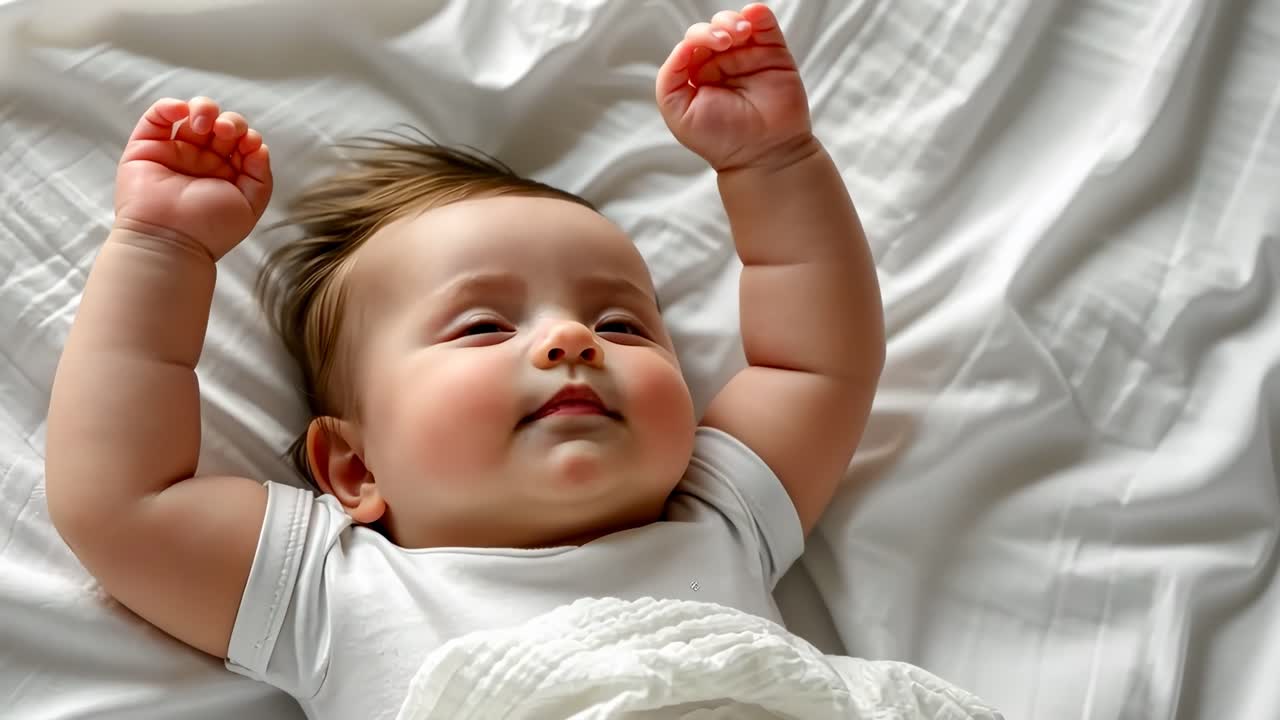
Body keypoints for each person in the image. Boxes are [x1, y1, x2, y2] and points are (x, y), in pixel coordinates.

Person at [44, 4, 884, 718]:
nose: (572, 341)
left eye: (622, 325)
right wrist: (160, 249)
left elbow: (812, 363)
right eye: (483, 327)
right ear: (353, 465)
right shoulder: (337, 592)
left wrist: (774, 163)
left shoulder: (715, 512)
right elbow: (122, 499)